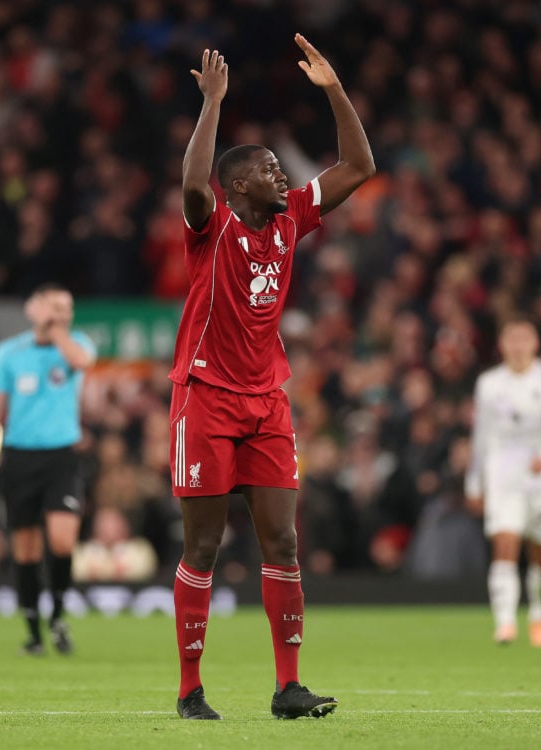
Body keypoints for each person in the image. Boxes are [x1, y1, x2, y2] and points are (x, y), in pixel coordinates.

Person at [168, 36, 374, 720]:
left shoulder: (291, 223)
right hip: (204, 398)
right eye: (269, 170)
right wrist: (213, 104)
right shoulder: (213, 227)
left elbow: (359, 166)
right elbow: (193, 184)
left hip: (266, 401)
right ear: (238, 187)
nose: (283, 178)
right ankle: (190, 689)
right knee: (204, 544)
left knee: (283, 540)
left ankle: (288, 688)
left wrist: (334, 89)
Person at [0, 283, 96, 655]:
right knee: (25, 549)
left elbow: (81, 363)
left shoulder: (76, 344)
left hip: (61, 457)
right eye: (55, 307)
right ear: (34, 308)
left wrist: (55, 330)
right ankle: (32, 631)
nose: (62, 314)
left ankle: (58, 615)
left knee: (62, 541)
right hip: (19, 457)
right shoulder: (9, 352)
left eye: (67, 308)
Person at [465, 317, 541, 648]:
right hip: (503, 474)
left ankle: (540, 616)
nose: (517, 346)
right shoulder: (489, 383)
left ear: (535, 344)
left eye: (523, 339)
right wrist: (475, 481)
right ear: (502, 345)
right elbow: (482, 435)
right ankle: (505, 623)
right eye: (511, 339)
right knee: (505, 542)